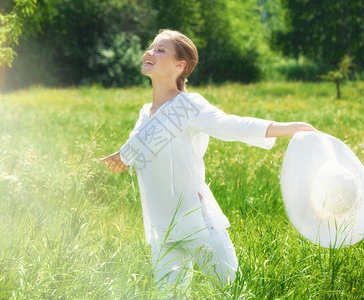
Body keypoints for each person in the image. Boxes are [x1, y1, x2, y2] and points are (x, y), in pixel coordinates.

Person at [100, 29, 318, 296]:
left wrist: (288, 127)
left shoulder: (187, 105)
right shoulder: (145, 112)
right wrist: (120, 156)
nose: (149, 53)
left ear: (180, 65)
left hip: (198, 224)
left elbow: (230, 125)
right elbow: (142, 141)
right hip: (163, 229)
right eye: (150, 47)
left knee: (231, 292)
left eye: (160, 50)